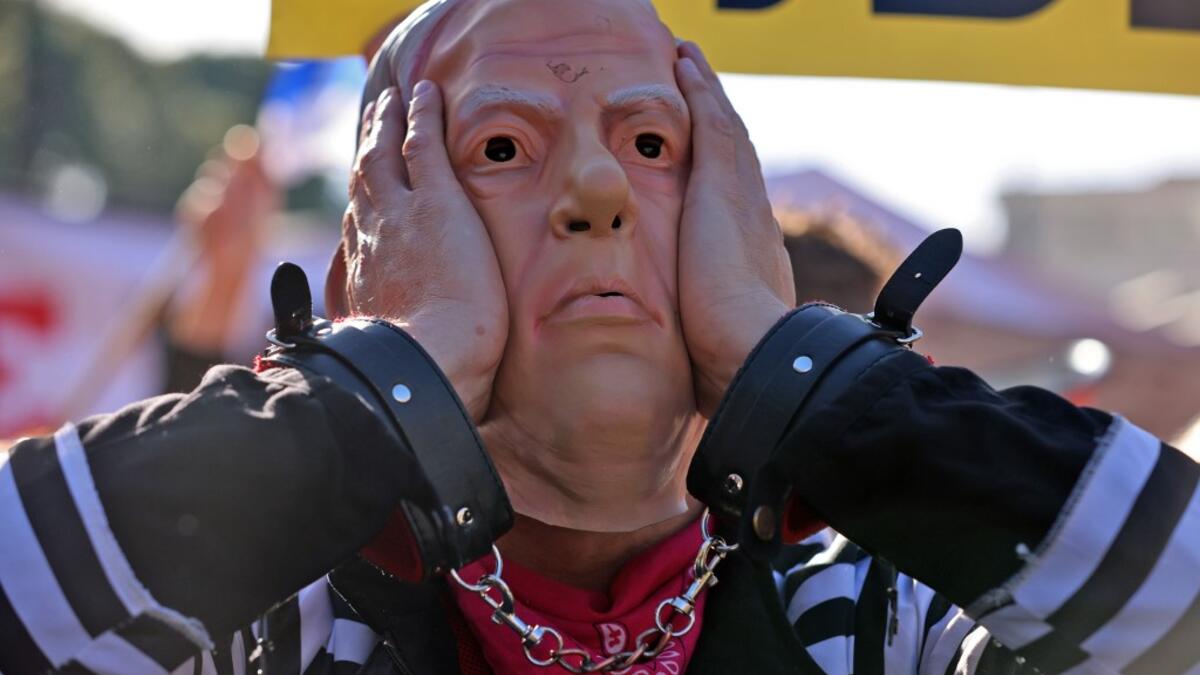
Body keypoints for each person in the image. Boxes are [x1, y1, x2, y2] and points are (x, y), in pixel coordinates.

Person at [2, 1, 1197, 674]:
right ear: (379, 259)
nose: (594, 192)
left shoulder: (895, 629)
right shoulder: (253, 630)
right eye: (504, 150)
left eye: (652, 145)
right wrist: (382, 390)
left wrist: (807, 380)